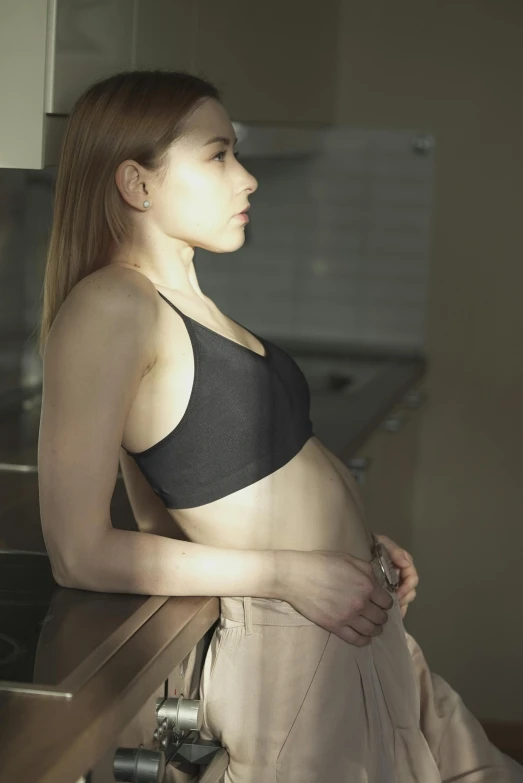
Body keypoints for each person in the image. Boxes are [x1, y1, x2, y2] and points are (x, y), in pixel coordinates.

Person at [37, 70, 522, 782]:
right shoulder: (112, 306)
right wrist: (290, 571)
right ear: (137, 184)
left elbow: (171, 508)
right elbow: (77, 551)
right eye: (218, 154)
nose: (247, 178)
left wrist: (357, 552)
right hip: (302, 652)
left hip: (355, 622)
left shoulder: (183, 301)